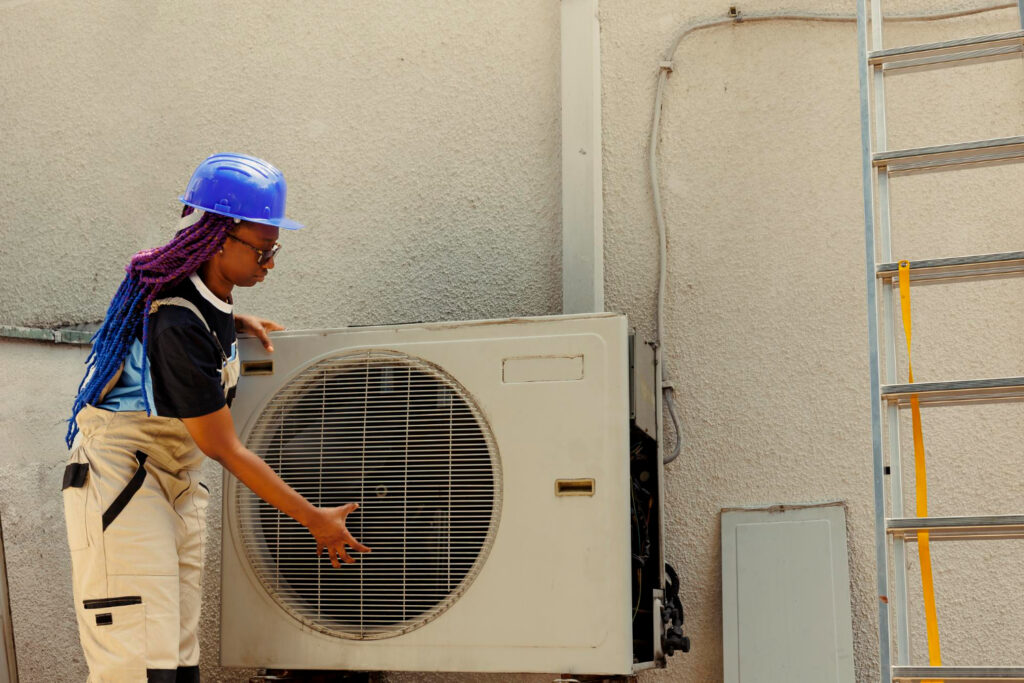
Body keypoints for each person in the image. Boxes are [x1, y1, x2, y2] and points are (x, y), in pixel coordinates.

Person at [61, 153, 370, 682]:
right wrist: (313, 518)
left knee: (178, 662)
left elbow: (198, 323)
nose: (269, 264)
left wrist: (234, 320)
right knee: (136, 665)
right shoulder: (178, 321)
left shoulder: (208, 299)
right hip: (122, 481)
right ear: (220, 238)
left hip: (172, 483)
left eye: (276, 251)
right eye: (262, 251)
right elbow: (223, 447)